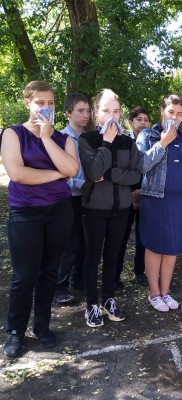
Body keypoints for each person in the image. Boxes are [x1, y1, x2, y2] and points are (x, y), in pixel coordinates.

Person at [1, 81, 79, 358]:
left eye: (51, 103)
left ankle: (42, 326)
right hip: (26, 213)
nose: (46, 108)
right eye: (40, 103)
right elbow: (18, 174)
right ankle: (15, 332)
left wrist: (46, 137)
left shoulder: (62, 138)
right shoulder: (13, 133)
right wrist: (58, 174)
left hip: (59, 212)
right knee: (24, 276)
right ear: (27, 103)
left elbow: (72, 169)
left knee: (49, 271)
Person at [78, 89, 141, 328]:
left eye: (116, 111)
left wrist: (112, 174)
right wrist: (106, 142)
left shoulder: (128, 142)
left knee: (113, 256)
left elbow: (136, 175)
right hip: (94, 208)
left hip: (121, 209)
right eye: (106, 110)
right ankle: (91, 303)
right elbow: (94, 172)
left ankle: (108, 299)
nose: (111, 116)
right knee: (92, 256)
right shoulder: (88, 140)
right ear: (96, 113)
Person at [136, 94, 182, 312]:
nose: (174, 117)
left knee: (172, 248)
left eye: (179, 114)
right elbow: (141, 165)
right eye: (171, 112)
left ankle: (165, 292)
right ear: (162, 112)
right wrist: (162, 143)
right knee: (155, 247)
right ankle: (154, 294)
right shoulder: (148, 135)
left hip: (181, 203)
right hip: (156, 201)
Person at [54, 93, 91, 304]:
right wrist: (84, 185)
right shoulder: (60, 139)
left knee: (85, 242)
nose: (86, 115)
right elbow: (61, 175)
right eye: (80, 110)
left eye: (88, 110)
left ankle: (78, 280)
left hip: (88, 199)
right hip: (69, 199)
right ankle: (59, 285)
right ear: (68, 112)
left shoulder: (90, 138)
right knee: (69, 243)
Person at [116, 107, 150, 288]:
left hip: (147, 196)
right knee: (120, 237)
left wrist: (143, 191)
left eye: (146, 119)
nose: (143, 123)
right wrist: (130, 192)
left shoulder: (153, 142)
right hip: (125, 196)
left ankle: (140, 271)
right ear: (131, 122)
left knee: (143, 237)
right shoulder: (123, 141)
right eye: (139, 119)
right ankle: (115, 274)